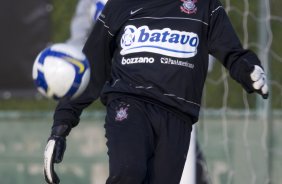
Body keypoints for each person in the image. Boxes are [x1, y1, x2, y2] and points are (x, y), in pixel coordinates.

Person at [43, 0, 269, 183]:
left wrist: (250, 70)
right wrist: (61, 127)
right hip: (129, 102)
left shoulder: (205, 6)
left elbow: (233, 52)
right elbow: (91, 68)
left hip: (178, 114)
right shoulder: (120, 5)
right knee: (128, 172)